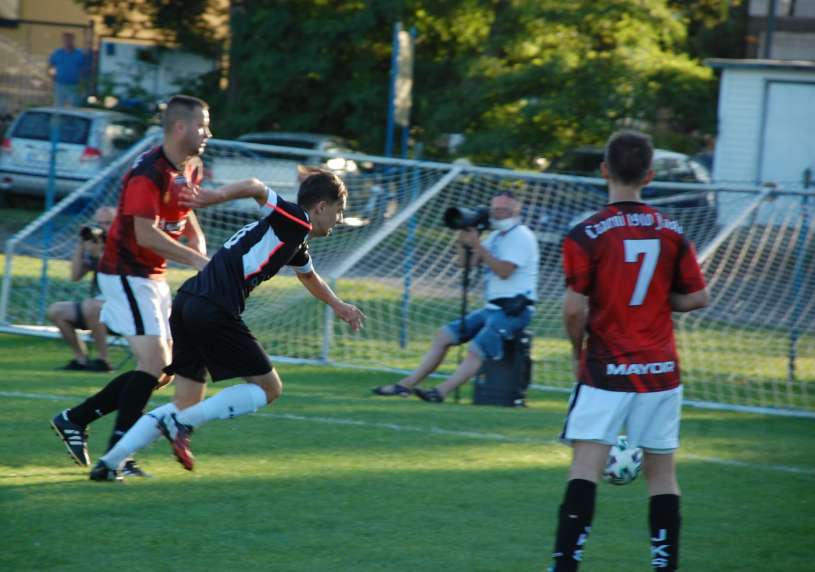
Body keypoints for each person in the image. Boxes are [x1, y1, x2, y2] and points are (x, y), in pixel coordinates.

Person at [88, 168, 366, 481]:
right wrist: (213, 197)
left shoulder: (293, 237)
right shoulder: (295, 218)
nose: (339, 220)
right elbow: (255, 186)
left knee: (185, 401)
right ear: (321, 208)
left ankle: (110, 463)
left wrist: (338, 305)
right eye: (339, 212)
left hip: (188, 301)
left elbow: (308, 275)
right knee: (269, 388)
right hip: (214, 309)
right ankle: (181, 425)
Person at [547, 131, 710, 572]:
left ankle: (565, 564)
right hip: (660, 370)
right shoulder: (673, 231)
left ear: (604, 170)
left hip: (606, 368)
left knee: (584, 468)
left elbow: (574, 309)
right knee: (662, 475)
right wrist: (660, 300)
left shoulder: (585, 233)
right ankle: (665, 566)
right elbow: (697, 298)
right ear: (650, 176)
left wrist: (575, 349)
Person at [50, 95, 212, 477]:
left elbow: (186, 219)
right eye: (203, 125)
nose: (209, 133)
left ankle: (76, 418)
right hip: (124, 271)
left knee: (164, 370)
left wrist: (199, 250)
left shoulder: (191, 167)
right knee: (153, 363)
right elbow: (145, 233)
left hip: (151, 276)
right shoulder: (147, 172)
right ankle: (118, 453)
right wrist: (194, 260)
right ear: (180, 127)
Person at [371, 191, 539, 403]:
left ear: (517, 210)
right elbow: (465, 264)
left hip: (515, 309)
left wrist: (477, 245)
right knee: (444, 336)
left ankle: (440, 392)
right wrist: (464, 238)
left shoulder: (522, 236)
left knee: (477, 347)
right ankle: (405, 386)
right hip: (492, 308)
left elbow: (504, 270)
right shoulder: (495, 236)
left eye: (504, 210)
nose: (498, 214)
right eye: (495, 209)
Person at [47, 206, 116, 372]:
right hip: (98, 306)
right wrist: (82, 244)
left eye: (108, 223)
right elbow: (75, 276)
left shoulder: (126, 245)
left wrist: (99, 254)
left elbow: (115, 271)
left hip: (123, 307)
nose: (103, 227)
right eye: (99, 223)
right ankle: (81, 359)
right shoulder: (96, 245)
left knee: (92, 306)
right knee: (56, 310)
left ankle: (103, 360)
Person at [48, 33, 88, 107]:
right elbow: (52, 67)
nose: (67, 41)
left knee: (74, 106)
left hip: (74, 85)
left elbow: (84, 69)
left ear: (73, 40)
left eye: (69, 39)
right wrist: (53, 77)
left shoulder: (79, 53)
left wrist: (82, 83)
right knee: (58, 106)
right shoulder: (57, 53)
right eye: (65, 40)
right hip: (59, 84)